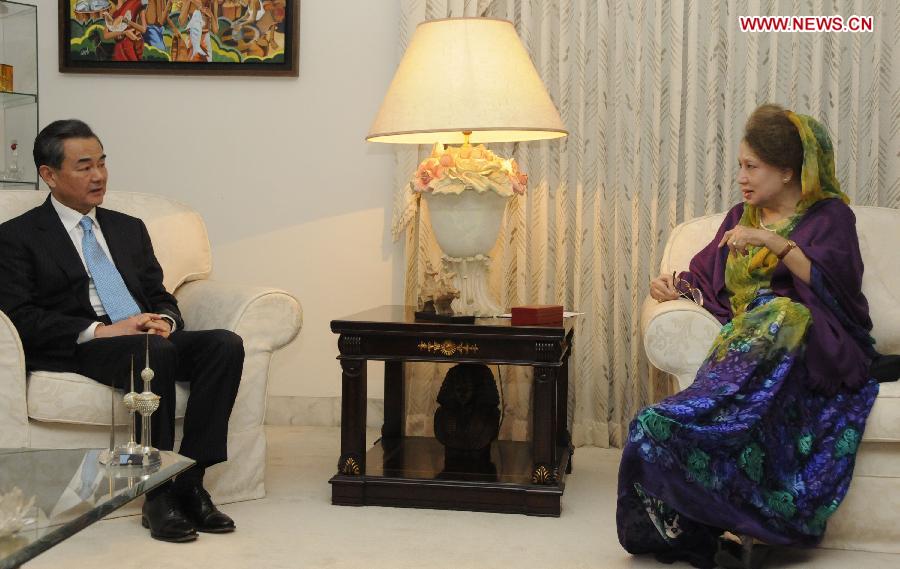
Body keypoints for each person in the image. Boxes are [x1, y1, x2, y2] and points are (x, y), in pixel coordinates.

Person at [616, 104, 879, 569]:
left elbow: (837, 289)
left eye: (751, 166)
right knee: (652, 427)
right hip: (741, 351)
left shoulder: (831, 218)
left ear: (787, 171)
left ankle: (731, 465)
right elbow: (703, 277)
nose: (742, 176)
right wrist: (671, 286)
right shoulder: (742, 215)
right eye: (741, 165)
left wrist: (775, 243)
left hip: (803, 348)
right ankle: (694, 494)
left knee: (782, 312)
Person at [0, 119, 244, 543]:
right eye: (84, 166)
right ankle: (157, 494)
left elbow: (158, 292)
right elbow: (21, 315)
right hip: (83, 345)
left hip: (145, 337)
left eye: (102, 163)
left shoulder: (127, 228)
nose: (98, 176)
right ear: (49, 175)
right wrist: (102, 331)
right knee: (156, 353)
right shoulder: (17, 237)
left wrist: (163, 320)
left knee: (225, 345)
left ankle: (191, 480)